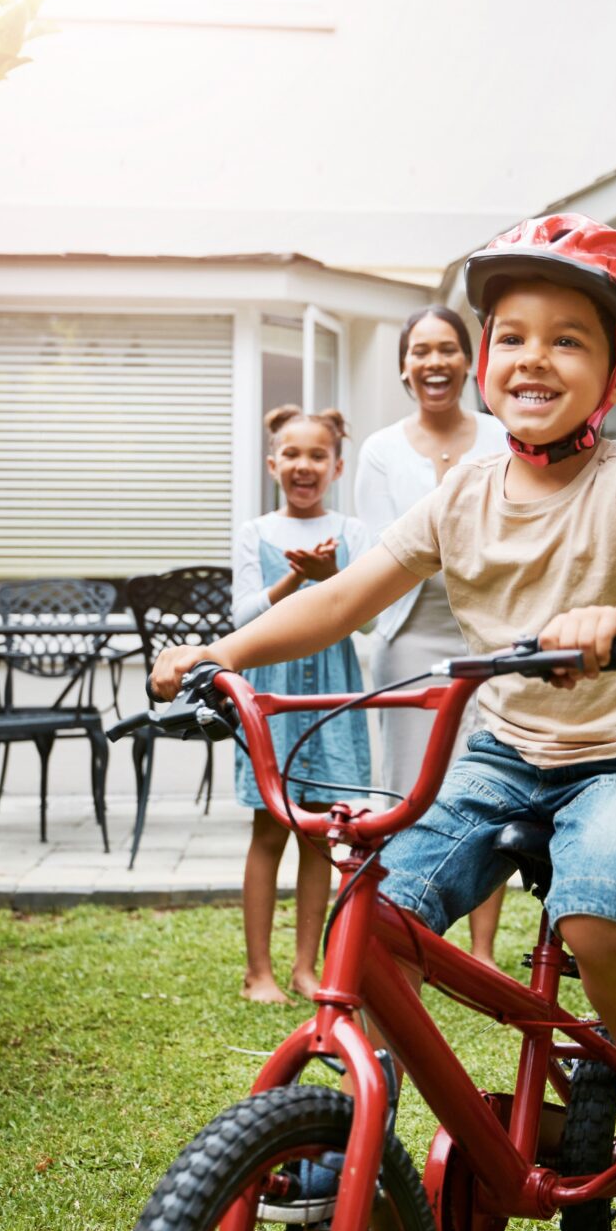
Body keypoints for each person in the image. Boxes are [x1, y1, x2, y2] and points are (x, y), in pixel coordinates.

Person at [155, 214, 616, 1231]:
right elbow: (344, 599)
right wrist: (223, 653)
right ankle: (345, 1136)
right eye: (511, 333)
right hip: (503, 755)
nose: (531, 356)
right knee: (379, 917)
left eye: (568, 338)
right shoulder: (463, 494)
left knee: (594, 908)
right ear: (485, 356)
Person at [355, 306, 509, 965]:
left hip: (492, 638)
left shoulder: (504, 437)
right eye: (421, 350)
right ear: (404, 366)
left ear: (468, 362)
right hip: (409, 635)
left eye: (447, 348)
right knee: (407, 791)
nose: (434, 362)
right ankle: (406, 932)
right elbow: (381, 550)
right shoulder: (381, 450)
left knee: (489, 781)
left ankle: (479, 949)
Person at [230, 406, 373, 1004]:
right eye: (291, 454)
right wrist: (295, 580)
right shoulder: (255, 533)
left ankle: (305, 968)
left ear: (336, 466)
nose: (303, 465)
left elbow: (367, 619)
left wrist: (334, 574)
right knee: (270, 830)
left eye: (317, 455)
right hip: (275, 697)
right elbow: (239, 619)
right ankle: (257, 971)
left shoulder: (355, 533)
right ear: (272, 465)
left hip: (331, 698)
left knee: (323, 835)